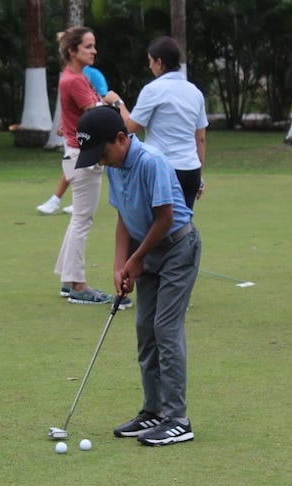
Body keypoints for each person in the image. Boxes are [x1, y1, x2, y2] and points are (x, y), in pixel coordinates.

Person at [75, 106, 201, 446]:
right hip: (147, 250)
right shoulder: (115, 166)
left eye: (101, 153)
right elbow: (123, 217)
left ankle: (178, 418)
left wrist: (136, 258)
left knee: (165, 327)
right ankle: (154, 411)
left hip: (177, 247)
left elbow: (164, 218)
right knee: (145, 328)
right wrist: (120, 264)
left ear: (120, 138)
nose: (100, 162)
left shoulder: (151, 161)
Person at [51, 27, 129, 308]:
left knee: (79, 219)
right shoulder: (74, 80)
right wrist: (116, 102)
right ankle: (78, 284)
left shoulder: (73, 78)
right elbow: (97, 116)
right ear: (73, 50)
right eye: (88, 46)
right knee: (82, 220)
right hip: (83, 156)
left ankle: (68, 279)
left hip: (75, 152)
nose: (94, 51)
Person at [120, 36, 208, 209]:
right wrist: (199, 175)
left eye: (151, 61)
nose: (149, 66)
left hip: (162, 169)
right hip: (191, 170)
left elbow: (131, 127)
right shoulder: (195, 92)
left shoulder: (153, 90)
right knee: (183, 226)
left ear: (159, 62)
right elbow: (201, 138)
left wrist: (118, 104)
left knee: (158, 226)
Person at [37, 64, 109, 216]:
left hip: (88, 136)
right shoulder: (68, 76)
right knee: (75, 168)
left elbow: (103, 97)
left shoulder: (91, 74)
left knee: (77, 167)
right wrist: (63, 122)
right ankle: (64, 201)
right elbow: (68, 105)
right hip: (73, 134)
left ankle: (56, 200)